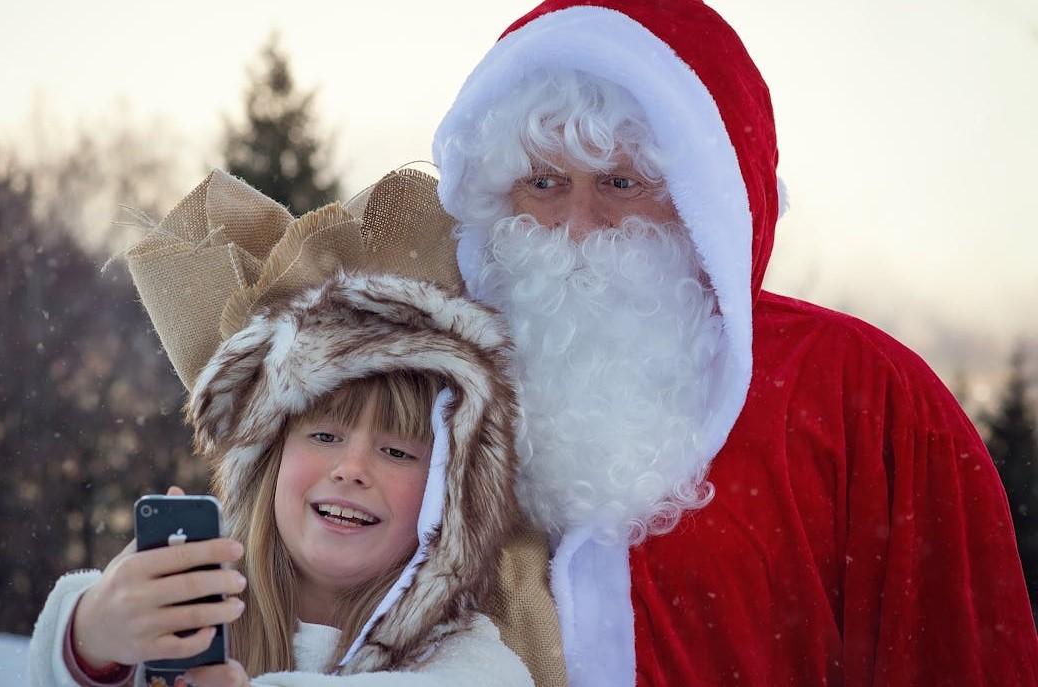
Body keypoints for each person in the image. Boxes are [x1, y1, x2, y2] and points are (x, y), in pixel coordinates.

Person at [431, 1, 1038, 685]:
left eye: (621, 184)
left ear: (701, 203)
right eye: (545, 184)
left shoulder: (863, 394)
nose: (579, 224)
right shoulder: (419, 390)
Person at [28, 170, 534, 687]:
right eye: (324, 436)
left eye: (398, 451)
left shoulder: (470, 666)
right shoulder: (184, 624)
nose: (352, 469)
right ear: (268, 460)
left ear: (447, 497)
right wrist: (92, 638)